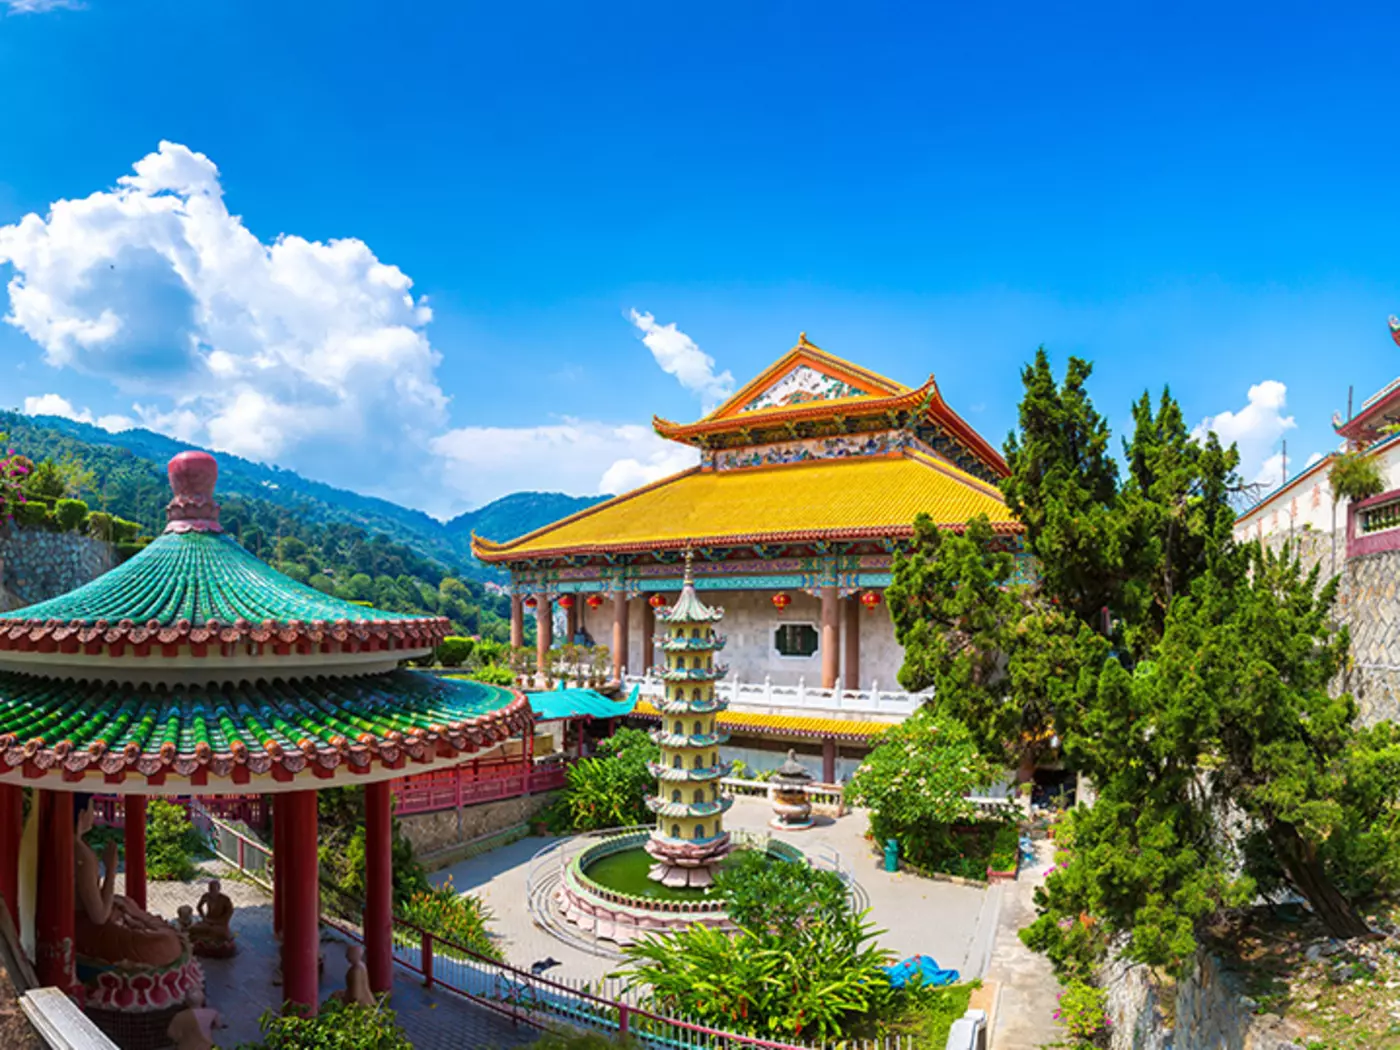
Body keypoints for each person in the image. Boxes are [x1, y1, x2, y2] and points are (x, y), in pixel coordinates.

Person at [73, 795, 184, 968]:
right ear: (82, 815)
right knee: (166, 943)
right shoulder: (81, 854)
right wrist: (111, 869)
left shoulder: (77, 846)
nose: (94, 815)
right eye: (92, 809)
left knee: (126, 903)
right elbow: (99, 917)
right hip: (85, 929)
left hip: (83, 921)